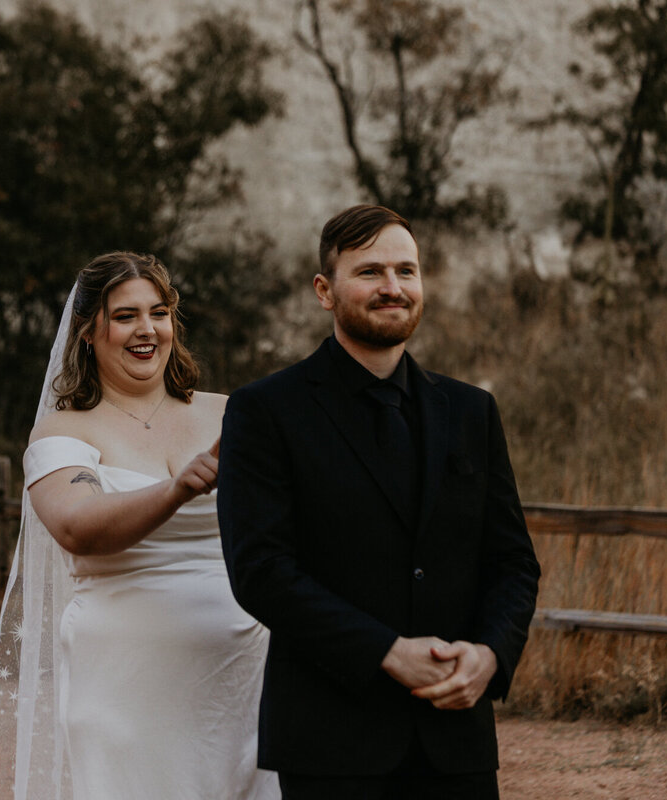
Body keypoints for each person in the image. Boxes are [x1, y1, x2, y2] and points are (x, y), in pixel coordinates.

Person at [217, 205, 541, 799]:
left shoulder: (472, 412)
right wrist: (387, 652)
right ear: (325, 290)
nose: (393, 288)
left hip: (456, 740)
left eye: (406, 271)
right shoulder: (265, 411)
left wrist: (491, 654)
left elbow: (514, 562)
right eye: (370, 272)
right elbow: (260, 571)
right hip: (331, 740)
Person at [0, 252, 278, 800]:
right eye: (126, 315)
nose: (146, 330)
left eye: (158, 313)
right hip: (126, 683)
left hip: (245, 676)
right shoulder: (62, 430)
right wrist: (179, 487)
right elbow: (78, 527)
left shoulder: (233, 414)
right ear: (89, 331)